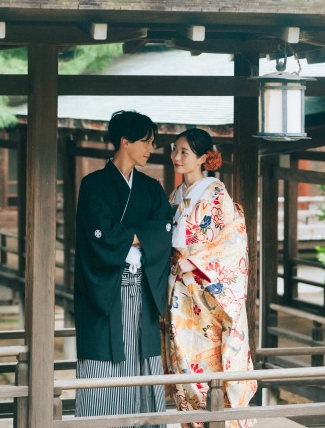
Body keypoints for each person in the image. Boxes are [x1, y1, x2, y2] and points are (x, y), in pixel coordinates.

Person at [74, 110, 173, 428]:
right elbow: (98, 234)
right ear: (124, 141)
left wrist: (128, 235)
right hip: (106, 290)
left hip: (142, 287)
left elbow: (164, 230)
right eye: (146, 142)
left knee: (144, 357)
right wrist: (141, 234)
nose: (151, 149)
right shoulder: (94, 186)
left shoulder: (150, 188)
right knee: (104, 356)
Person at [165, 128, 257, 428]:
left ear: (204, 158)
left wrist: (193, 261)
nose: (176, 157)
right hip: (179, 290)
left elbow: (232, 241)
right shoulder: (176, 195)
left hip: (205, 290)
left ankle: (219, 423)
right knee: (183, 359)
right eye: (174, 150)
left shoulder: (216, 193)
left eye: (184, 152)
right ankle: (191, 423)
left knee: (208, 360)